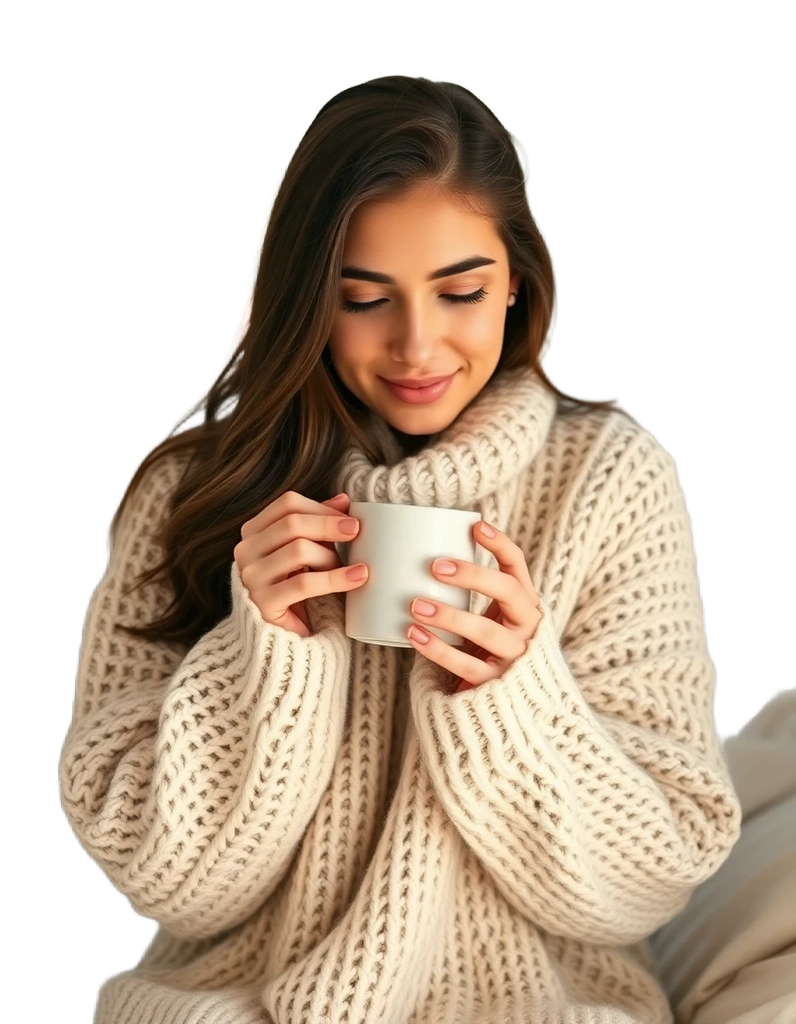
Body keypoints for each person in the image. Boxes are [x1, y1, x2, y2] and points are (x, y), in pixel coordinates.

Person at [58, 75, 741, 1024]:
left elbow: (651, 880)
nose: (417, 346)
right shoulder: (197, 489)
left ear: (516, 282)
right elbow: (167, 882)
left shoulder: (610, 481)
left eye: (459, 290)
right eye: (364, 298)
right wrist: (267, 659)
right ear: (308, 300)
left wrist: (512, 695)